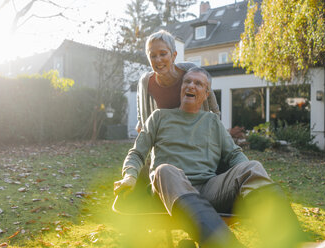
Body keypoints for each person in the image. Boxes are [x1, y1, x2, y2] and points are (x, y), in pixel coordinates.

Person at [114, 67, 306, 248]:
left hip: (207, 189)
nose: (190, 86)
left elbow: (234, 154)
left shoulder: (212, 121)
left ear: (206, 94)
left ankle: (290, 241)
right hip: (168, 189)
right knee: (165, 170)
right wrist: (129, 177)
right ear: (181, 88)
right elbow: (137, 153)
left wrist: (245, 177)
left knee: (252, 166)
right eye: (187, 82)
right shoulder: (159, 117)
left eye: (198, 84)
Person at [135, 30, 220, 133]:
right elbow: (140, 99)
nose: (158, 60)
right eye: (153, 56)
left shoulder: (190, 71)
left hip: (196, 135)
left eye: (163, 54)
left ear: (174, 55)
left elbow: (209, 93)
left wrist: (215, 123)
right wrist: (140, 121)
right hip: (166, 142)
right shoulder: (146, 82)